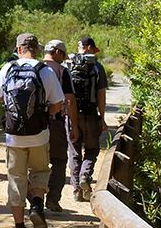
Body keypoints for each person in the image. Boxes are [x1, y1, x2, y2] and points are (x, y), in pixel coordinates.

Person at [0, 33, 64, 228]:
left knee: (16, 178)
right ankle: (37, 206)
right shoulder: (45, 71)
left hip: (13, 136)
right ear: (37, 50)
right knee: (40, 171)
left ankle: (19, 224)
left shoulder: (7, 69)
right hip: (39, 134)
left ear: (19, 50)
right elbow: (57, 106)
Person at [65, 36, 108, 202]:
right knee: (91, 149)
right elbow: (101, 94)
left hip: (71, 115)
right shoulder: (97, 67)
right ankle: (85, 175)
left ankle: (76, 190)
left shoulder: (68, 65)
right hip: (90, 113)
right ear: (90, 47)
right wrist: (102, 118)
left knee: (74, 151)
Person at [40, 40, 80, 212]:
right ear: (57, 52)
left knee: (35, 161)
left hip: (34, 123)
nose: (64, 58)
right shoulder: (62, 70)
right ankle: (53, 199)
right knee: (58, 160)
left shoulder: (34, 67)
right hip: (55, 121)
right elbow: (69, 100)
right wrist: (74, 126)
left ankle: (34, 199)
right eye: (63, 54)